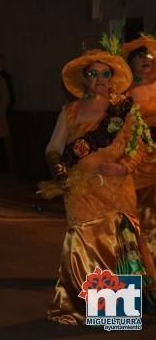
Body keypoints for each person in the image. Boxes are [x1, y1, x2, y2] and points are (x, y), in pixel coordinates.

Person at [42, 48, 156, 324]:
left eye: (105, 73)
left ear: (113, 78)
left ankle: (116, 313)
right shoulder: (70, 111)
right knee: (85, 246)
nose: (100, 78)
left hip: (117, 188)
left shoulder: (124, 109)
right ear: (85, 80)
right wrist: (58, 171)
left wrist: (124, 167)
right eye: (93, 73)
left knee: (117, 247)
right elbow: (53, 148)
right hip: (82, 192)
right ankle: (88, 308)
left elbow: (138, 146)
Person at [123, 34, 156, 261]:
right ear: (131, 63)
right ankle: (140, 259)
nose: (146, 59)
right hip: (136, 158)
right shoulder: (124, 94)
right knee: (136, 210)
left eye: (149, 56)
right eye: (140, 56)